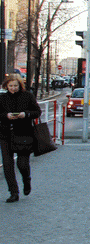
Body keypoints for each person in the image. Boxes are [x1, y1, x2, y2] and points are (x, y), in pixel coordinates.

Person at [0, 74, 41, 202]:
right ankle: (13, 192)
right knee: (7, 165)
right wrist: (6, 116)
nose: (13, 88)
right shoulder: (2, 98)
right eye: (10, 86)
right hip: (5, 134)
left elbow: (37, 112)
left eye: (15, 86)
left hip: (24, 134)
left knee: (22, 164)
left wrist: (25, 114)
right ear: (6, 86)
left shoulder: (27, 96)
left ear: (20, 85)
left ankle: (26, 179)